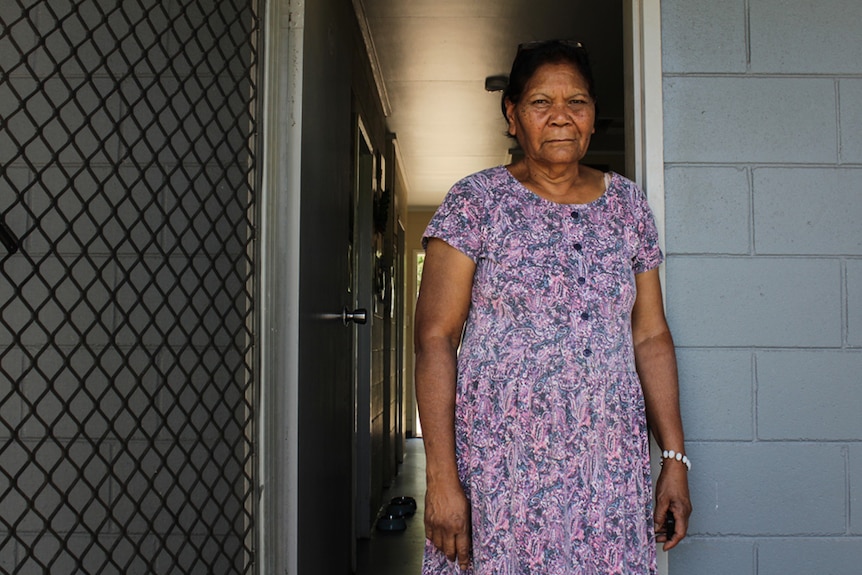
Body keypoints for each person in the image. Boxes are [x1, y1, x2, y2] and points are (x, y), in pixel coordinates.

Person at [414, 40, 692, 575]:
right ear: (512, 114)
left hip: (606, 470)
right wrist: (441, 479)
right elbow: (435, 340)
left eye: (578, 102)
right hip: (499, 469)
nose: (562, 117)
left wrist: (674, 459)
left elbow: (650, 336)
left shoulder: (628, 207)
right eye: (542, 102)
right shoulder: (476, 202)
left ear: (592, 117)